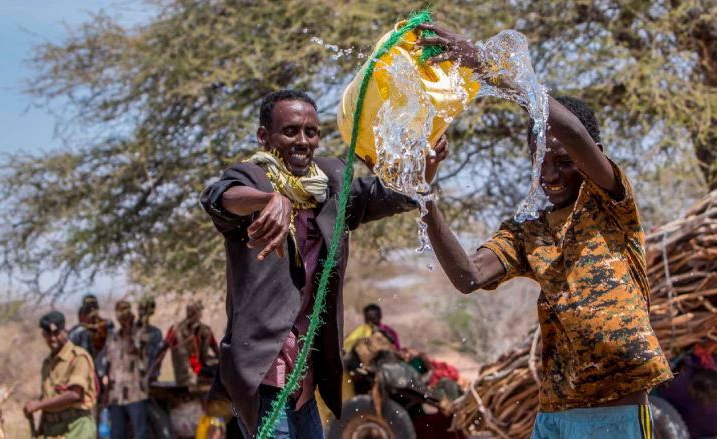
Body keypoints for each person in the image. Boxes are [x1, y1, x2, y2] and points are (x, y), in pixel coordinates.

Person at [415, 24, 673, 438]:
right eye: (540, 161)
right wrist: (422, 193)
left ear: (592, 156)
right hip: (555, 414)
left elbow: (570, 130)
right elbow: (468, 276)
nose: (550, 174)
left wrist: (486, 69)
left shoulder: (610, 204)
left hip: (616, 412)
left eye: (564, 161)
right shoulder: (527, 232)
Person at [200, 89, 447, 437]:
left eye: (311, 132)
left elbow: (386, 194)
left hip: (307, 375)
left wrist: (426, 166)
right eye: (290, 131)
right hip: (263, 372)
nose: (302, 141)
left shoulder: (330, 183)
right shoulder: (252, 179)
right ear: (263, 136)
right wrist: (268, 200)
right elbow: (219, 197)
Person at [24, 311, 98, 438]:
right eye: (48, 334)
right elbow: (48, 399)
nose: (52, 338)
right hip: (52, 429)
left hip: (77, 428)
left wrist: (38, 405)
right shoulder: (47, 363)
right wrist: (41, 431)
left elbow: (75, 394)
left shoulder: (78, 357)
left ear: (65, 332)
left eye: (56, 333)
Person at [105, 300, 150, 439]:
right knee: (117, 434)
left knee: (140, 433)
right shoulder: (112, 338)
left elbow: (134, 349)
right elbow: (108, 365)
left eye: (126, 313)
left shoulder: (140, 335)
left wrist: (130, 329)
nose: (124, 318)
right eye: (121, 314)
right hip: (116, 396)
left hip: (135, 393)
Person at [158, 300, 220, 385]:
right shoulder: (176, 330)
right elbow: (162, 350)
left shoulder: (204, 331)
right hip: (189, 374)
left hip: (197, 371)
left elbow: (217, 353)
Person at [136, 296, 163, 381]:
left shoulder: (156, 333)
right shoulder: (129, 331)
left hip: (150, 377)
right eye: (142, 309)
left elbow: (158, 358)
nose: (143, 313)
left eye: (146, 310)